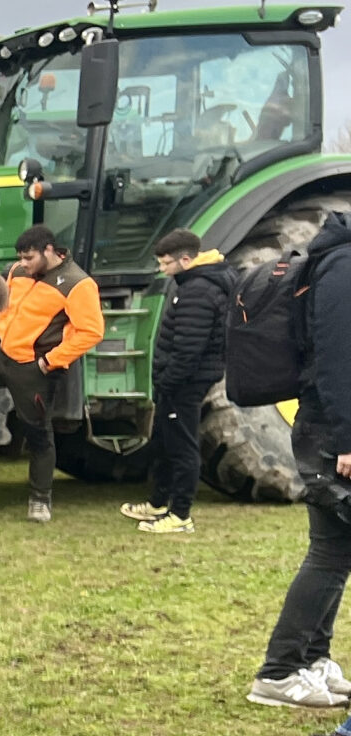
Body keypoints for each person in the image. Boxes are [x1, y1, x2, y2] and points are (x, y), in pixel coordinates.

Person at [253, 208, 351, 732]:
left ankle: (312, 659)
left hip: (331, 425)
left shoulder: (335, 260)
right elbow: (338, 360)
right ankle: (280, 670)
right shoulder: (343, 266)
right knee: (330, 553)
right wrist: (346, 440)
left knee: (336, 552)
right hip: (333, 430)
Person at [0, 224, 102, 522]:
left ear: (49, 250)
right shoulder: (17, 271)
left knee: (38, 434)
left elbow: (91, 331)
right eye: (20, 257)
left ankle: (39, 499)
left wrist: (49, 362)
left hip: (34, 368)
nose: (23, 263)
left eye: (29, 257)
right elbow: (6, 306)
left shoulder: (78, 284)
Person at [124, 229, 230, 535]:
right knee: (164, 441)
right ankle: (159, 502)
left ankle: (180, 514)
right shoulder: (191, 284)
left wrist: (168, 382)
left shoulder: (198, 291)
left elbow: (188, 348)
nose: (162, 269)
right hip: (177, 382)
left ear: (185, 260)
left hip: (184, 383)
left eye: (166, 263)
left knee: (183, 447)